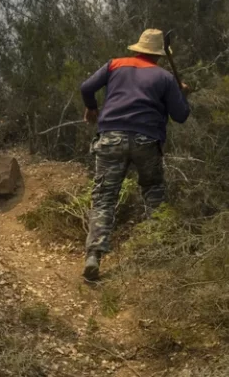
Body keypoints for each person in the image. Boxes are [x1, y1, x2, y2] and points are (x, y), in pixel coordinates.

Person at [79, 28, 195, 281]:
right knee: (153, 192)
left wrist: (91, 108)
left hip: (111, 138)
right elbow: (181, 116)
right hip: (147, 141)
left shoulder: (114, 65)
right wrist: (182, 94)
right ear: (160, 54)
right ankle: (159, 252)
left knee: (103, 198)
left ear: (139, 48)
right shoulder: (165, 77)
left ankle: (93, 256)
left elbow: (86, 87)